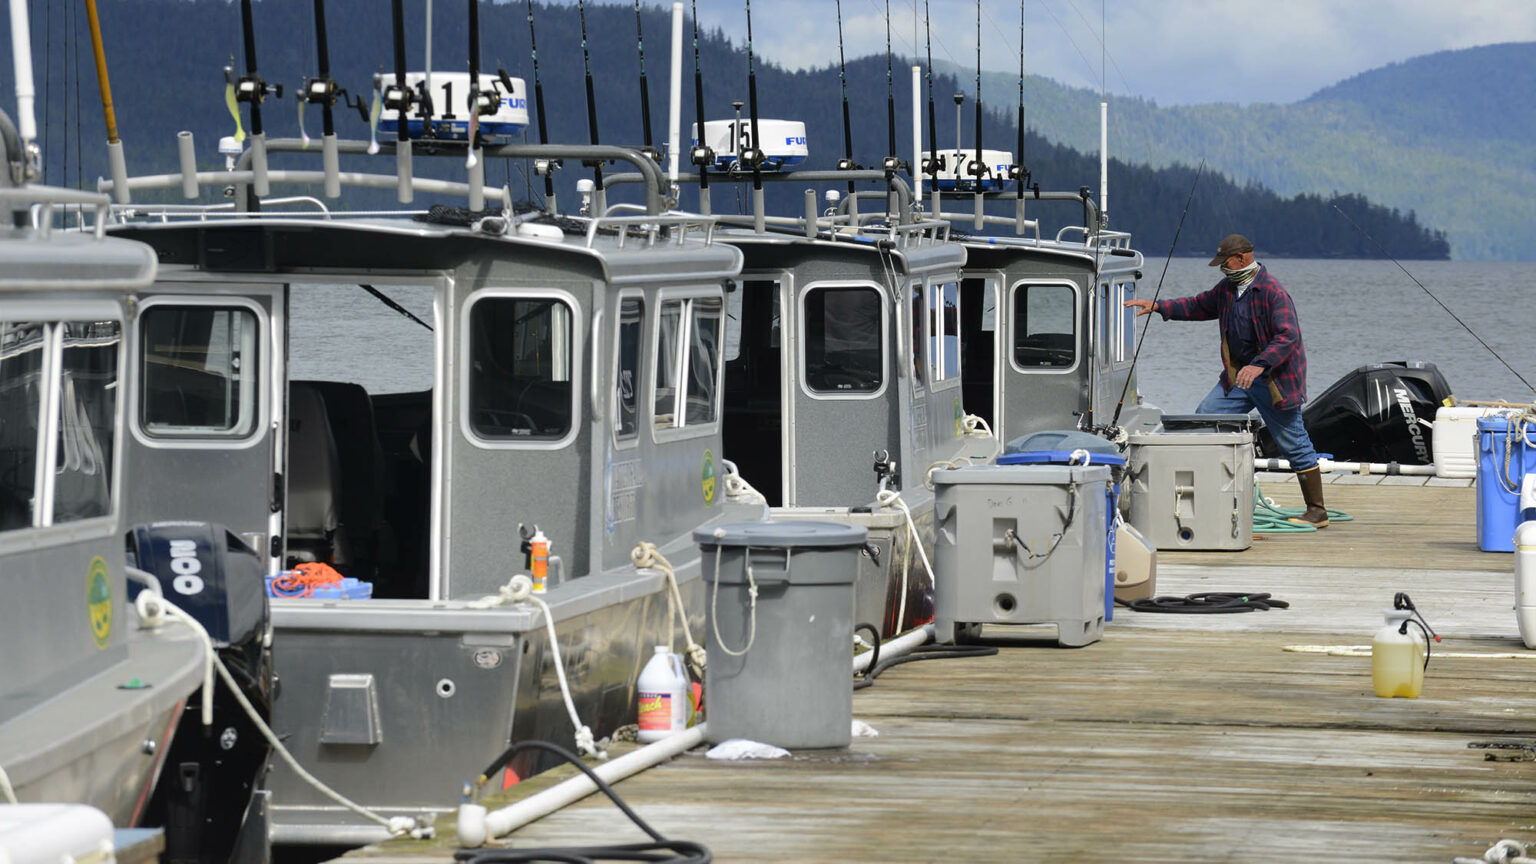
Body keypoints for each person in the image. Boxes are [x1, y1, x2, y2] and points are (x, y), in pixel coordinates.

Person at [1123, 233, 1328, 528]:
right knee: (1205, 419)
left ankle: (1317, 511)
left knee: (1293, 442)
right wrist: (1159, 307)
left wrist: (1258, 366)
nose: (1222, 268)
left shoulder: (1273, 292)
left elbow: (1288, 337)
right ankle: (1209, 493)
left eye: (1225, 262)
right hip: (1238, 378)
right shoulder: (1228, 289)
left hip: (1274, 382)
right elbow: (1198, 305)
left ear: (1242, 259)